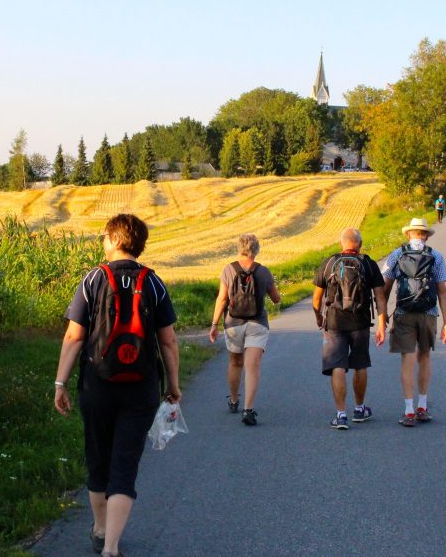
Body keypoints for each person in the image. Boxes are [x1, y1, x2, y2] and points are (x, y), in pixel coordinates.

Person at [54, 214, 182, 557]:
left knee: (99, 459)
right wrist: (173, 384)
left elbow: (74, 335)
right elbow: (168, 341)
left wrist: (60, 382)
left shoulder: (94, 278)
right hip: (141, 387)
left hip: (97, 384)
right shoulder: (153, 283)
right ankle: (111, 547)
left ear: (113, 239)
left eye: (104, 236)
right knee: (124, 466)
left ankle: (99, 528)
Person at [312, 228, 387, 430]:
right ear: (360, 245)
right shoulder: (368, 264)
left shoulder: (329, 263)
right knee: (360, 364)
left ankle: (341, 414)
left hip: (334, 322)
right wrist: (381, 323)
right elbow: (380, 296)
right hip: (360, 322)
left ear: (341, 244)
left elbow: (317, 298)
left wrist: (319, 317)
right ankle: (360, 409)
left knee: (337, 365)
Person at [381, 217, 446, 427]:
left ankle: (409, 410)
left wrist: (382, 315)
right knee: (425, 356)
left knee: (407, 360)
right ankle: (422, 405)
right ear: (426, 235)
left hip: (403, 312)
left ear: (408, 234)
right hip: (428, 313)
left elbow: (384, 288)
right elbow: (442, 291)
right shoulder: (436, 256)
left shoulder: (396, 254)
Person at [209, 234, 282, 426]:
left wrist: (214, 324)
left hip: (233, 324)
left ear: (239, 248)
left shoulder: (228, 269)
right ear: (257, 249)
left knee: (235, 363)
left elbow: (222, 299)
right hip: (257, 323)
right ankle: (248, 410)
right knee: (252, 367)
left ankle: (234, 401)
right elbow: (276, 298)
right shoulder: (264, 271)